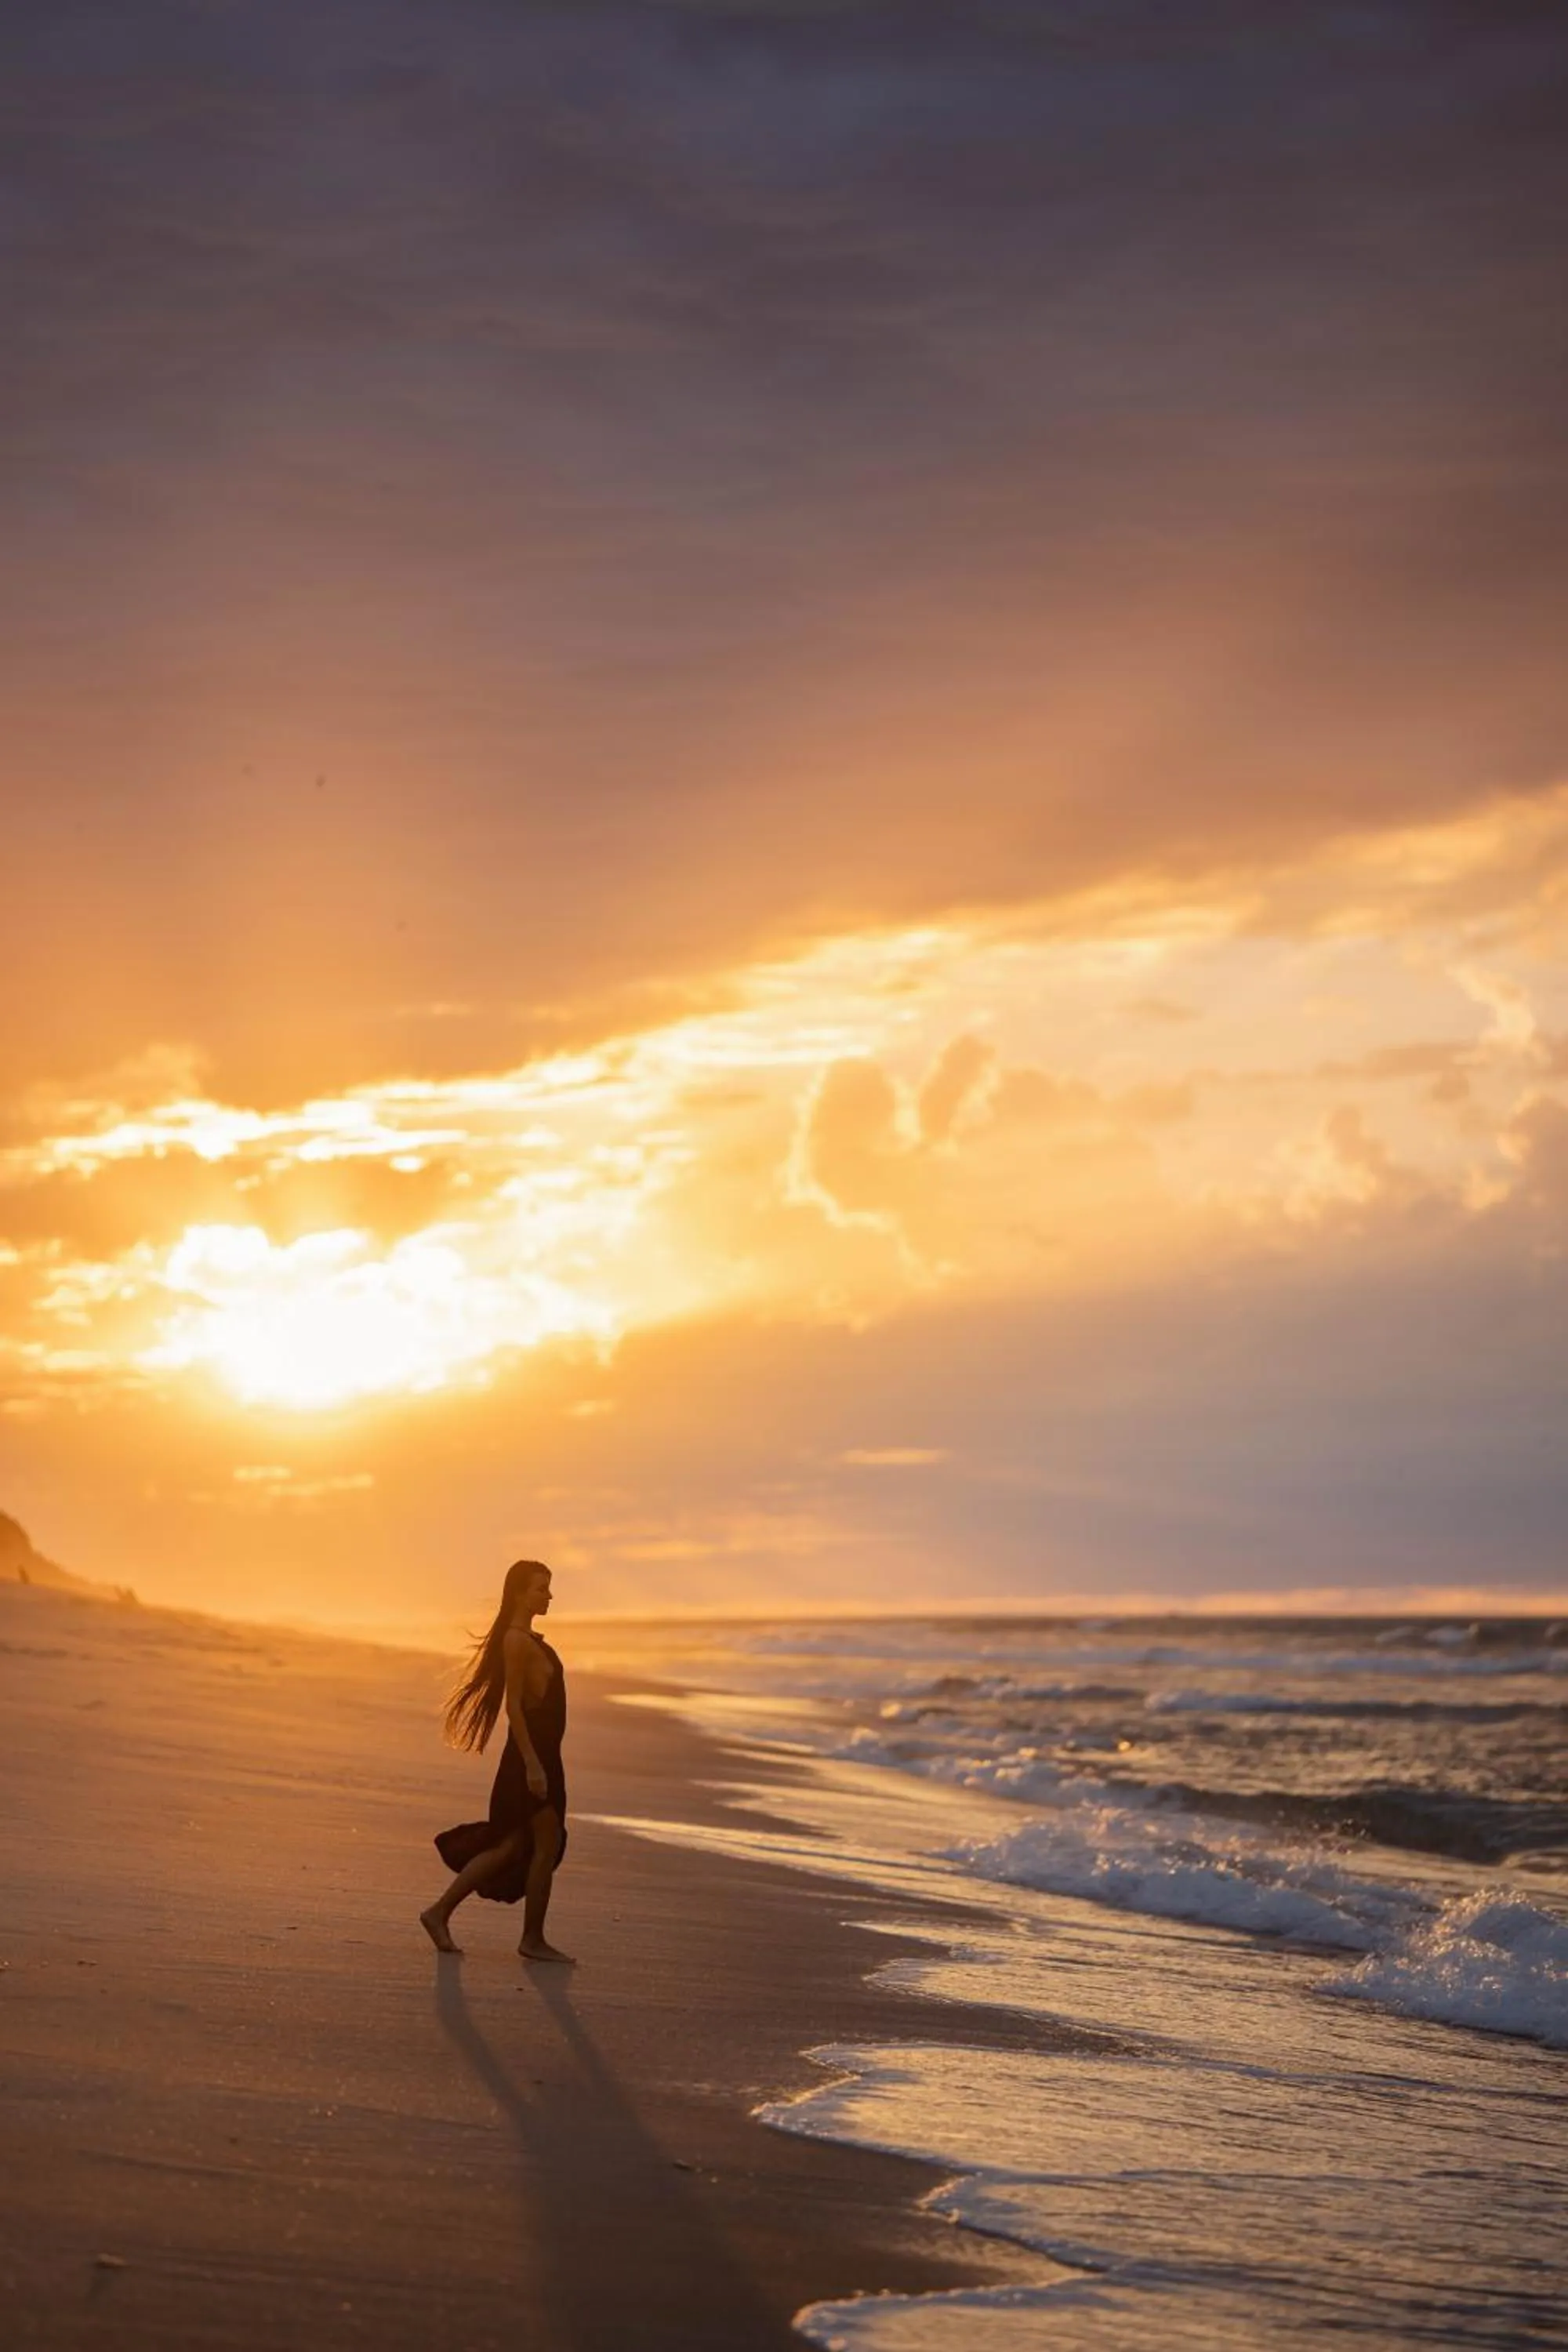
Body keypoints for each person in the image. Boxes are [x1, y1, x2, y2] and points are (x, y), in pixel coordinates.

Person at [421, 1558, 572, 1962]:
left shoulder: (526, 1639)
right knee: (545, 1840)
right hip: (530, 1759)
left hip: (541, 1757)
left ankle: (439, 1912)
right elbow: (515, 1710)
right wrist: (533, 1766)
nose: (549, 1596)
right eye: (541, 1589)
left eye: (548, 1588)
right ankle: (532, 1939)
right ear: (520, 1594)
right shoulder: (517, 1642)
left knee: (514, 1846)